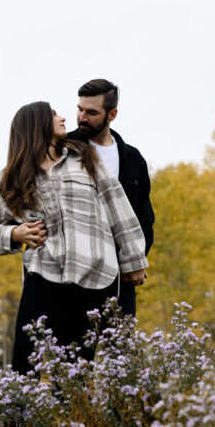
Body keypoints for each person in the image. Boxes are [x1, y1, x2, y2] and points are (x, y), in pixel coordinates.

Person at [0, 101, 148, 375]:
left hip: (94, 277)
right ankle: (16, 418)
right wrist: (15, 232)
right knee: (25, 360)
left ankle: (72, 417)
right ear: (37, 126)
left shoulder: (85, 158)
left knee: (75, 368)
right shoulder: (9, 177)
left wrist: (134, 260)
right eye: (54, 114)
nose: (63, 118)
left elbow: (118, 207)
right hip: (43, 276)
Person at [68, 79, 154, 317]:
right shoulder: (63, 149)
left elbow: (144, 216)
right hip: (75, 278)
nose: (82, 117)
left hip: (120, 277)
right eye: (80, 109)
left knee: (123, 352)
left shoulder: (133, 158)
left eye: (92, 112)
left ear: (112, 114)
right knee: (74, 354)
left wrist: (136, 261)